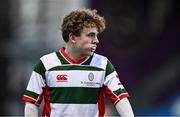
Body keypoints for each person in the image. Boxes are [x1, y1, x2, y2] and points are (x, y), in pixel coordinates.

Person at [22, 8, 134, 117]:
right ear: (73, 38)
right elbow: (31, 103)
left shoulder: (103, 64)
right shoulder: (45, 64)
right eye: (91, 35)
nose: (96, 40)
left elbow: (120, 98)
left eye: (96, 35)